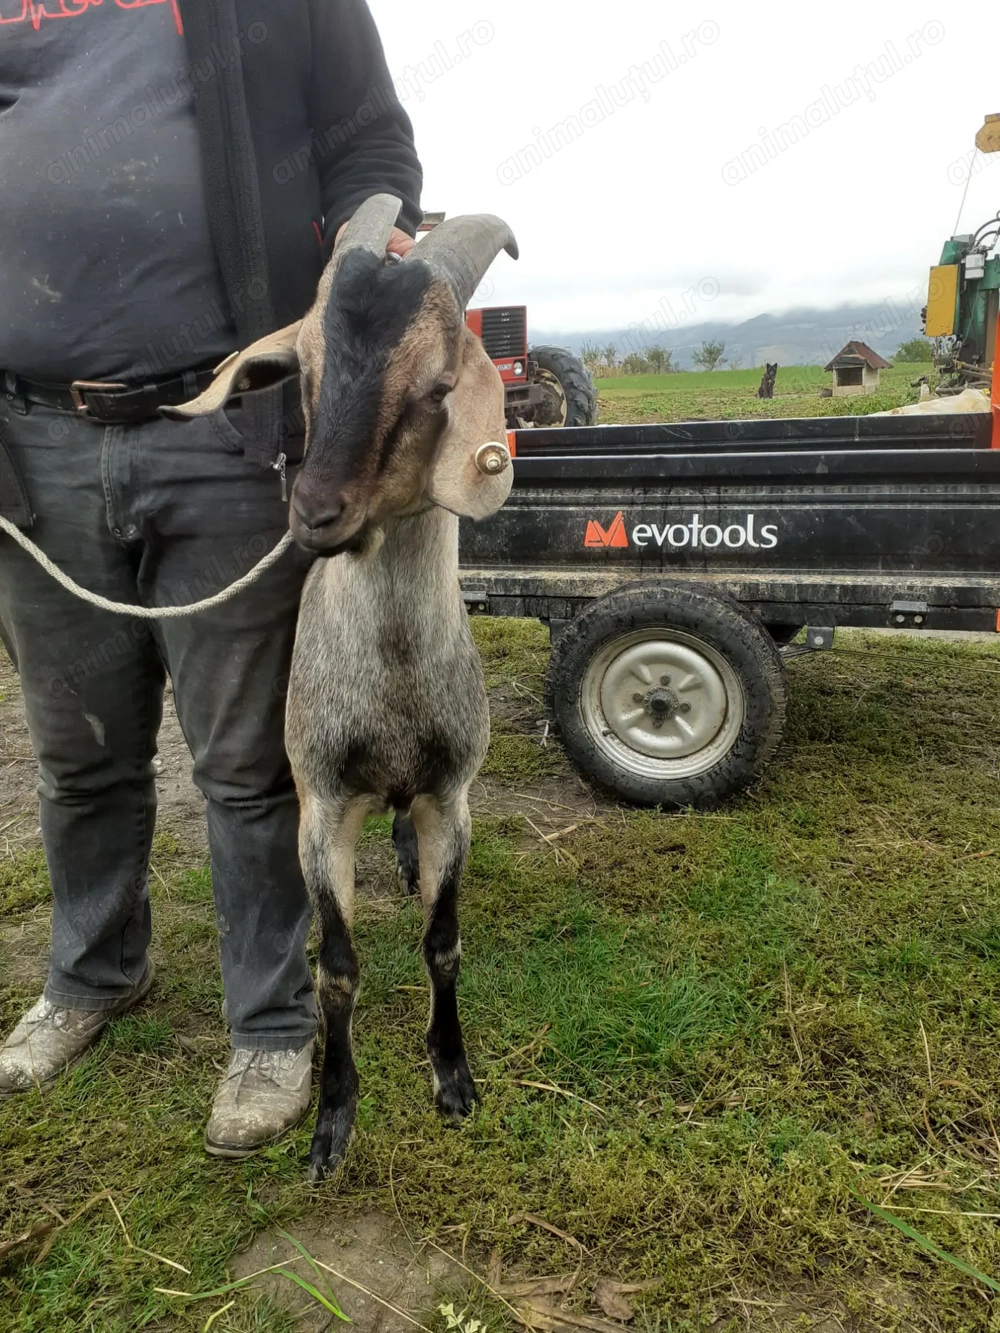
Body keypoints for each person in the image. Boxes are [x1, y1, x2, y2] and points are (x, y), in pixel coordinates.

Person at [0, 0, 421, 1157]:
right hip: (28, 437)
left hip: (229, 426)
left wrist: (362, 266)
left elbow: (371, 141)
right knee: (79, 750)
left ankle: (272, 1027)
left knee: (245, 764)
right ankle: (93, 978)